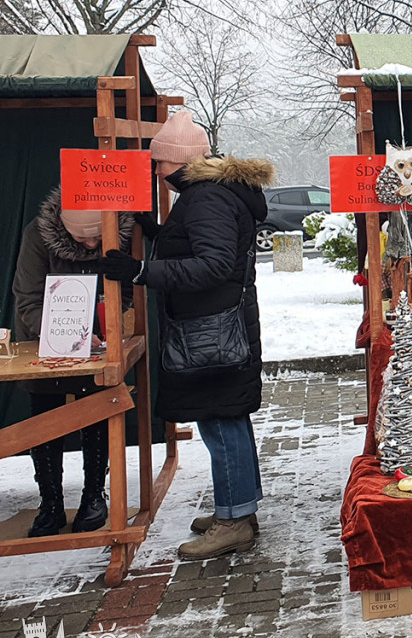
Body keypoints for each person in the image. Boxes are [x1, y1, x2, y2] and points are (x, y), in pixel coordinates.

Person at [96, 110, 274, 560]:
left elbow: (213, 265)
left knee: (220, 418)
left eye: (158, 163)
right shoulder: (209, 195)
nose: (156, 172)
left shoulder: (205, 199)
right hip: (219, 327)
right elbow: (203, 247)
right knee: (227, 416)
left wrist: (140, 270)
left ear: (176, 162)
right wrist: (155, 231)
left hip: (212, 331)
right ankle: (239, 508)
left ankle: (234, 521)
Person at [12, 194, 134, 536]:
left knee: (94, 413)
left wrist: (105, 326)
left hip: (96, 339)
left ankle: (93, 496)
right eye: (83, 238)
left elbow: (122, 290)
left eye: (97, 236)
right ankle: (49, 503)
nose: (93, 243)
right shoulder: (37, 237)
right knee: (45, 419)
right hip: (44, 342)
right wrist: (64, 336)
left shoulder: (116, 234)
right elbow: (28, 297)